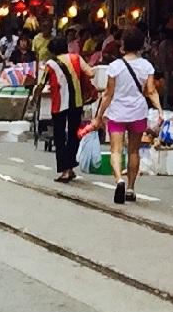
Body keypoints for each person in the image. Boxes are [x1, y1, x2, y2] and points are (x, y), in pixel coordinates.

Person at [93, 29, 158, 205]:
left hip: (117, 113)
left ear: (123, 45)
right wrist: (159, 110)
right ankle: (130, 188)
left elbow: (108, 94)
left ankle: (118, 180)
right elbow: (150, 91)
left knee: (116, 149)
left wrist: (99, 116)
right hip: (138, 112)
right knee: (134, 151)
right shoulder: (147, 66)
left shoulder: (115, 66)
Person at [43, 32, 92, 184]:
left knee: (59, 136)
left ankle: (64, 171)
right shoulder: (77, 58)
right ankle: (70, 168)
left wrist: (34, 98)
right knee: (73, 135)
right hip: (76, 103)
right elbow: (90, 73)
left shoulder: (50, 64)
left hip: (59, 104)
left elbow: (40, 84)